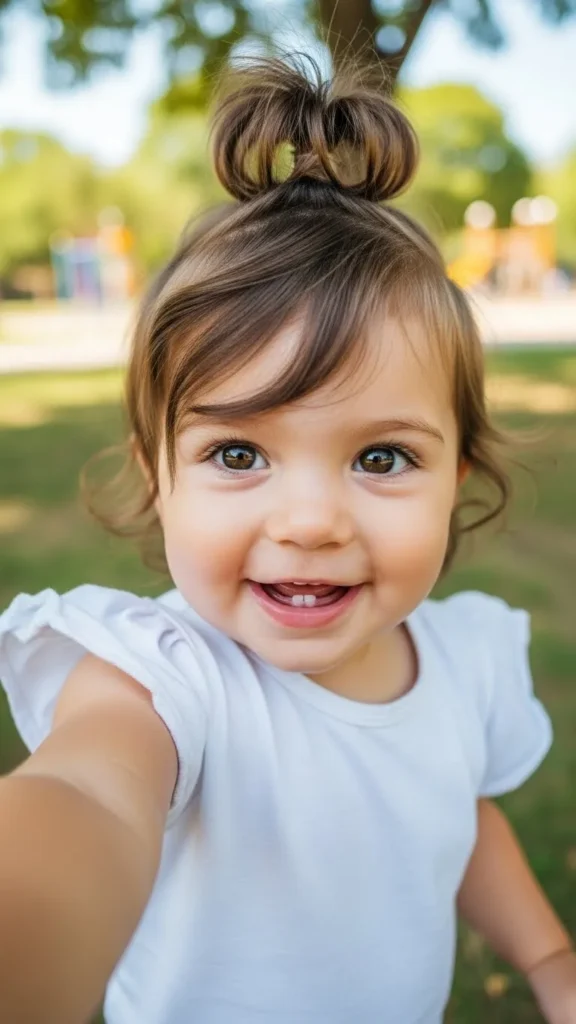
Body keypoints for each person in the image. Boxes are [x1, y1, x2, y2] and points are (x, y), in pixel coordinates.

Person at [0, 53, 574, 1024]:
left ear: (456, 482)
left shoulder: (464, 660)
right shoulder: (160, 680)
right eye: (237, 452)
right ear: (159, 475)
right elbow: (91, 795)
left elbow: (451, 817)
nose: (311, 520)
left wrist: (553, 958)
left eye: (384, 458)